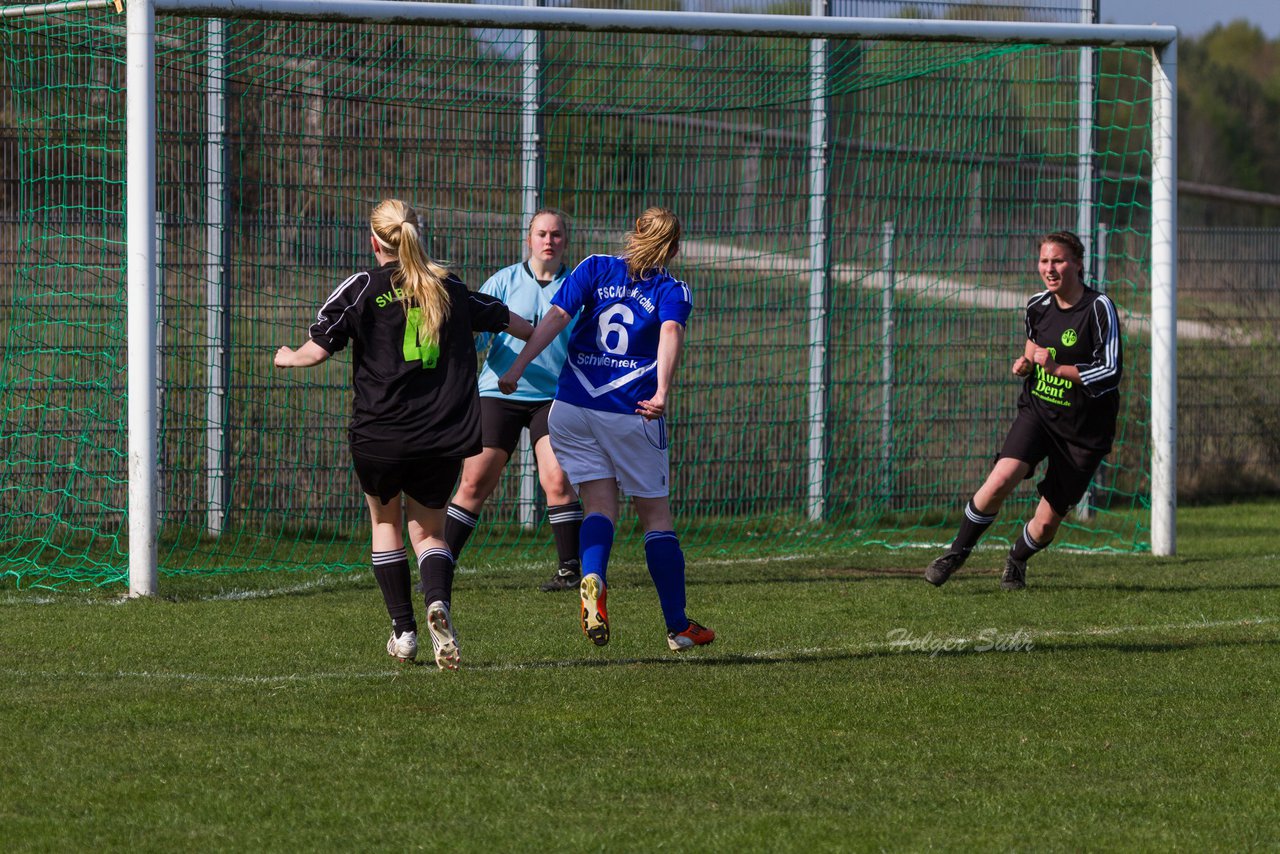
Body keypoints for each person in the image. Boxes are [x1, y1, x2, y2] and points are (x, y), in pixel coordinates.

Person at [274, 198, 533, 670]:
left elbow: (314, 352)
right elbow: (516, 324)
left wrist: (286, 354)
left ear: (374, 241)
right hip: (443, 435)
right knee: (430, 534)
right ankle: (438, 604)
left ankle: (405, 632)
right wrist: (518, 367)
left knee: (386, 523)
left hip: (381, 435)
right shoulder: (449, 288)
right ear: (417, 233)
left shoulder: (361, 288)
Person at [498, 207, 715, 653]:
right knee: (655, 516)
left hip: (571, 408)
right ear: (674, 248)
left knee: (599, 504)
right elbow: (670, 331)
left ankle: (593, 576)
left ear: (632, 235)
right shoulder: (671, 289)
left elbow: (555, 318)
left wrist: (518, 366)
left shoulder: (595, 267)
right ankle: (677, 626)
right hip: (629, 411)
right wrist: (662, 392)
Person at [924, 230, 1123, 590]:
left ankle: (1016, 559)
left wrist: (1058, 369)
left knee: (1046, 524)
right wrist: (1025, 365)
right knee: (1000, 478)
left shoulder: (1098, 308)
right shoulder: (1037, 305)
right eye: (1045, 261)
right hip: (1039, 413)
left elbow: (1110, 371)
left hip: (1083, 432)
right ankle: (956, 554)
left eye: (1058, 260)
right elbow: (1033, 349)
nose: (1050, 268)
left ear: (1077, 265)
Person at [440, 209, 584, 593]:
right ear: (529, 239)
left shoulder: (577, 285)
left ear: (565, 241)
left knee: (556, 478)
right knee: (474, 480)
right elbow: (478, 331)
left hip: (555, 396)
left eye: (556, 234)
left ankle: (571, 570)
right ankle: (441, 566)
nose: (548, 241)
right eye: (541, 234)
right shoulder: (503, 281)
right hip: (499, 392)